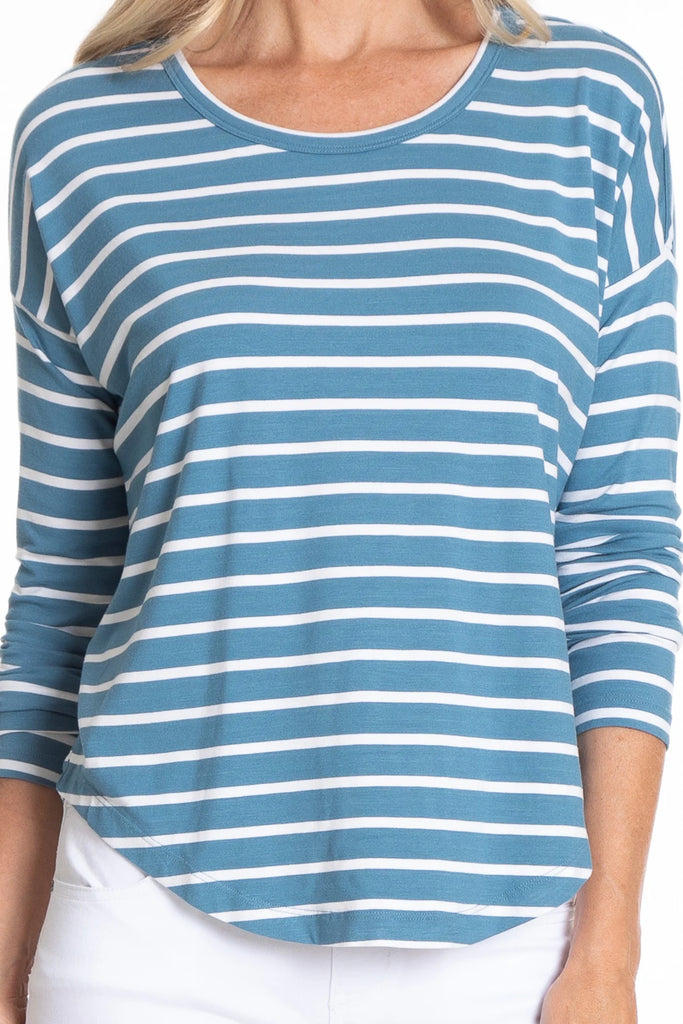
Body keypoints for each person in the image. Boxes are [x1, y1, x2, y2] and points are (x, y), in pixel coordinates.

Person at [0, 0, 679, 1021]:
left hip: (508, 937)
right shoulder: (83, 132)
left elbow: (615, 546)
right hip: (144, 915)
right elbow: (64, 586)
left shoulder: (588, 104)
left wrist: (610, 947)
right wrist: (6, 967)